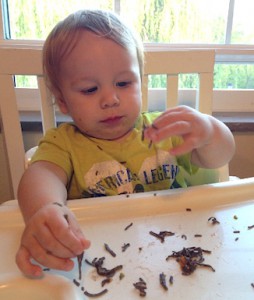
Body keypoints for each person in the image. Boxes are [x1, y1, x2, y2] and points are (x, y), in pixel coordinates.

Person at [16, 9, 235, 278]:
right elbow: (39, 176)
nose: (110, 99)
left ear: (140, 83)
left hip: (177, 256)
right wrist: (46, 209)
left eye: (123, 83)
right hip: (102, 264)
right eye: (89, 89)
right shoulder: (64, 144)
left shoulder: (164, 130)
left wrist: (210, 132)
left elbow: (218, 157)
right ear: (62, 101)